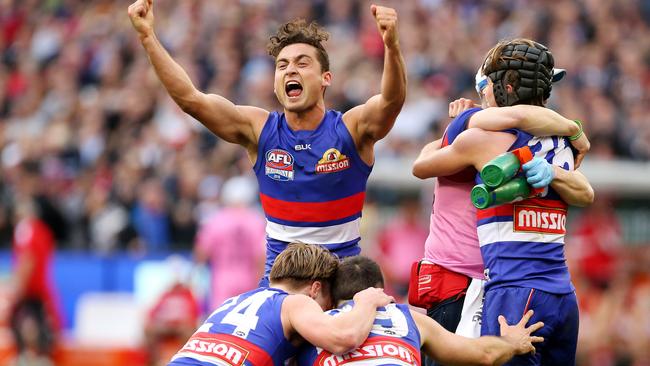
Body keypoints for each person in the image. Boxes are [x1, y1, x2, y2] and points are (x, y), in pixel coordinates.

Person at [127, 0, 407, 286]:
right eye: (282, 65)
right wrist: (147, 37)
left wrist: (392, 46)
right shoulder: (260, 131)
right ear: (275, 83)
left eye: (302, 63)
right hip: (279, 288)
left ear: (326, 78)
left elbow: (391, 102)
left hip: (341, 286)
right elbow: (191, 100)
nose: (290, 70)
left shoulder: (351, 130)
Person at [412, 38, 595, 366]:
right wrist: (570, 132)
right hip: (562, 294)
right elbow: (586, 194)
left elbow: (421, 166)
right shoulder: (565, 145)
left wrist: (457, 124)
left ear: (501, 87)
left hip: (513, 291)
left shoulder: (478, 136)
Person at [168, 243, 393, 366]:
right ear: (315, 289)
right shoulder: (295, 303)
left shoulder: (234, 301)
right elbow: (344, 338)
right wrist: (366, 300)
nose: (328, 310)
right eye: (328, 302)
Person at [298, 256, 544, 366]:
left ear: (330, 299)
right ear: (381, 291)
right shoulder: (408, 319)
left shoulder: (315, 326)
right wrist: (512, 342)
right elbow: (485, 355)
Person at [194, 176, 266, 309]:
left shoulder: (216, 219)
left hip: (222, 281)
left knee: (220, 323)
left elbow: (202, 253)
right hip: (249, 279)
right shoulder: (256, 220)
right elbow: (261, 256)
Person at [9, 195, 61, 366]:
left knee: (25, 331)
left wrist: (17, 289)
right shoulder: (44, 231)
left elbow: (27, 260)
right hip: (42, 292)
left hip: (30, 294)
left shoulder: (26, 230)